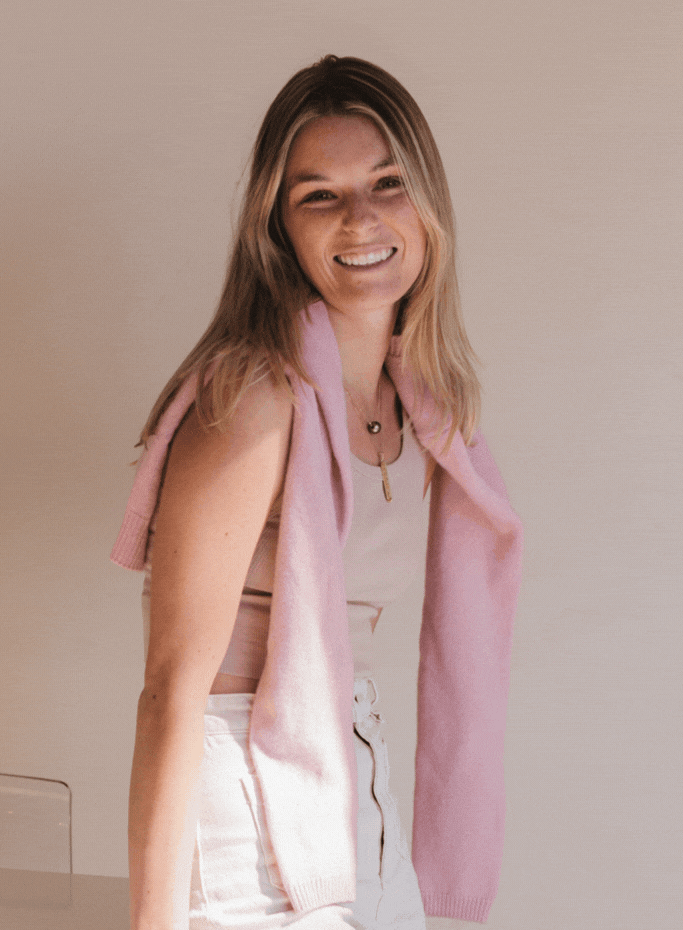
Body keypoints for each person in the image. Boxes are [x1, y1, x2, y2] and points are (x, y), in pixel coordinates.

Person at [111, 55, 523, 930]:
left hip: (352, 771)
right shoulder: (255, 396)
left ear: (427, 204)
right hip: (239, 780)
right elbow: (170, 687)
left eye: (385, 182)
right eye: (319, 196)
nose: (361, 218)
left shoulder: (428, 409)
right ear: (279, 230)